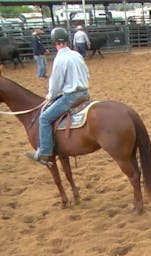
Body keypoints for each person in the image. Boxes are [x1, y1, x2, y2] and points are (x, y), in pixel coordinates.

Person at [24, 27, 90, 166]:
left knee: (44, 118)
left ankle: (45, 153)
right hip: (84, 93)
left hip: (71, 96)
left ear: (54, 42)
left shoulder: (59, 59)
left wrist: (50, 95)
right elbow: (87, 73)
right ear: (67, 41)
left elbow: (56, 83)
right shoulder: (76, 54)